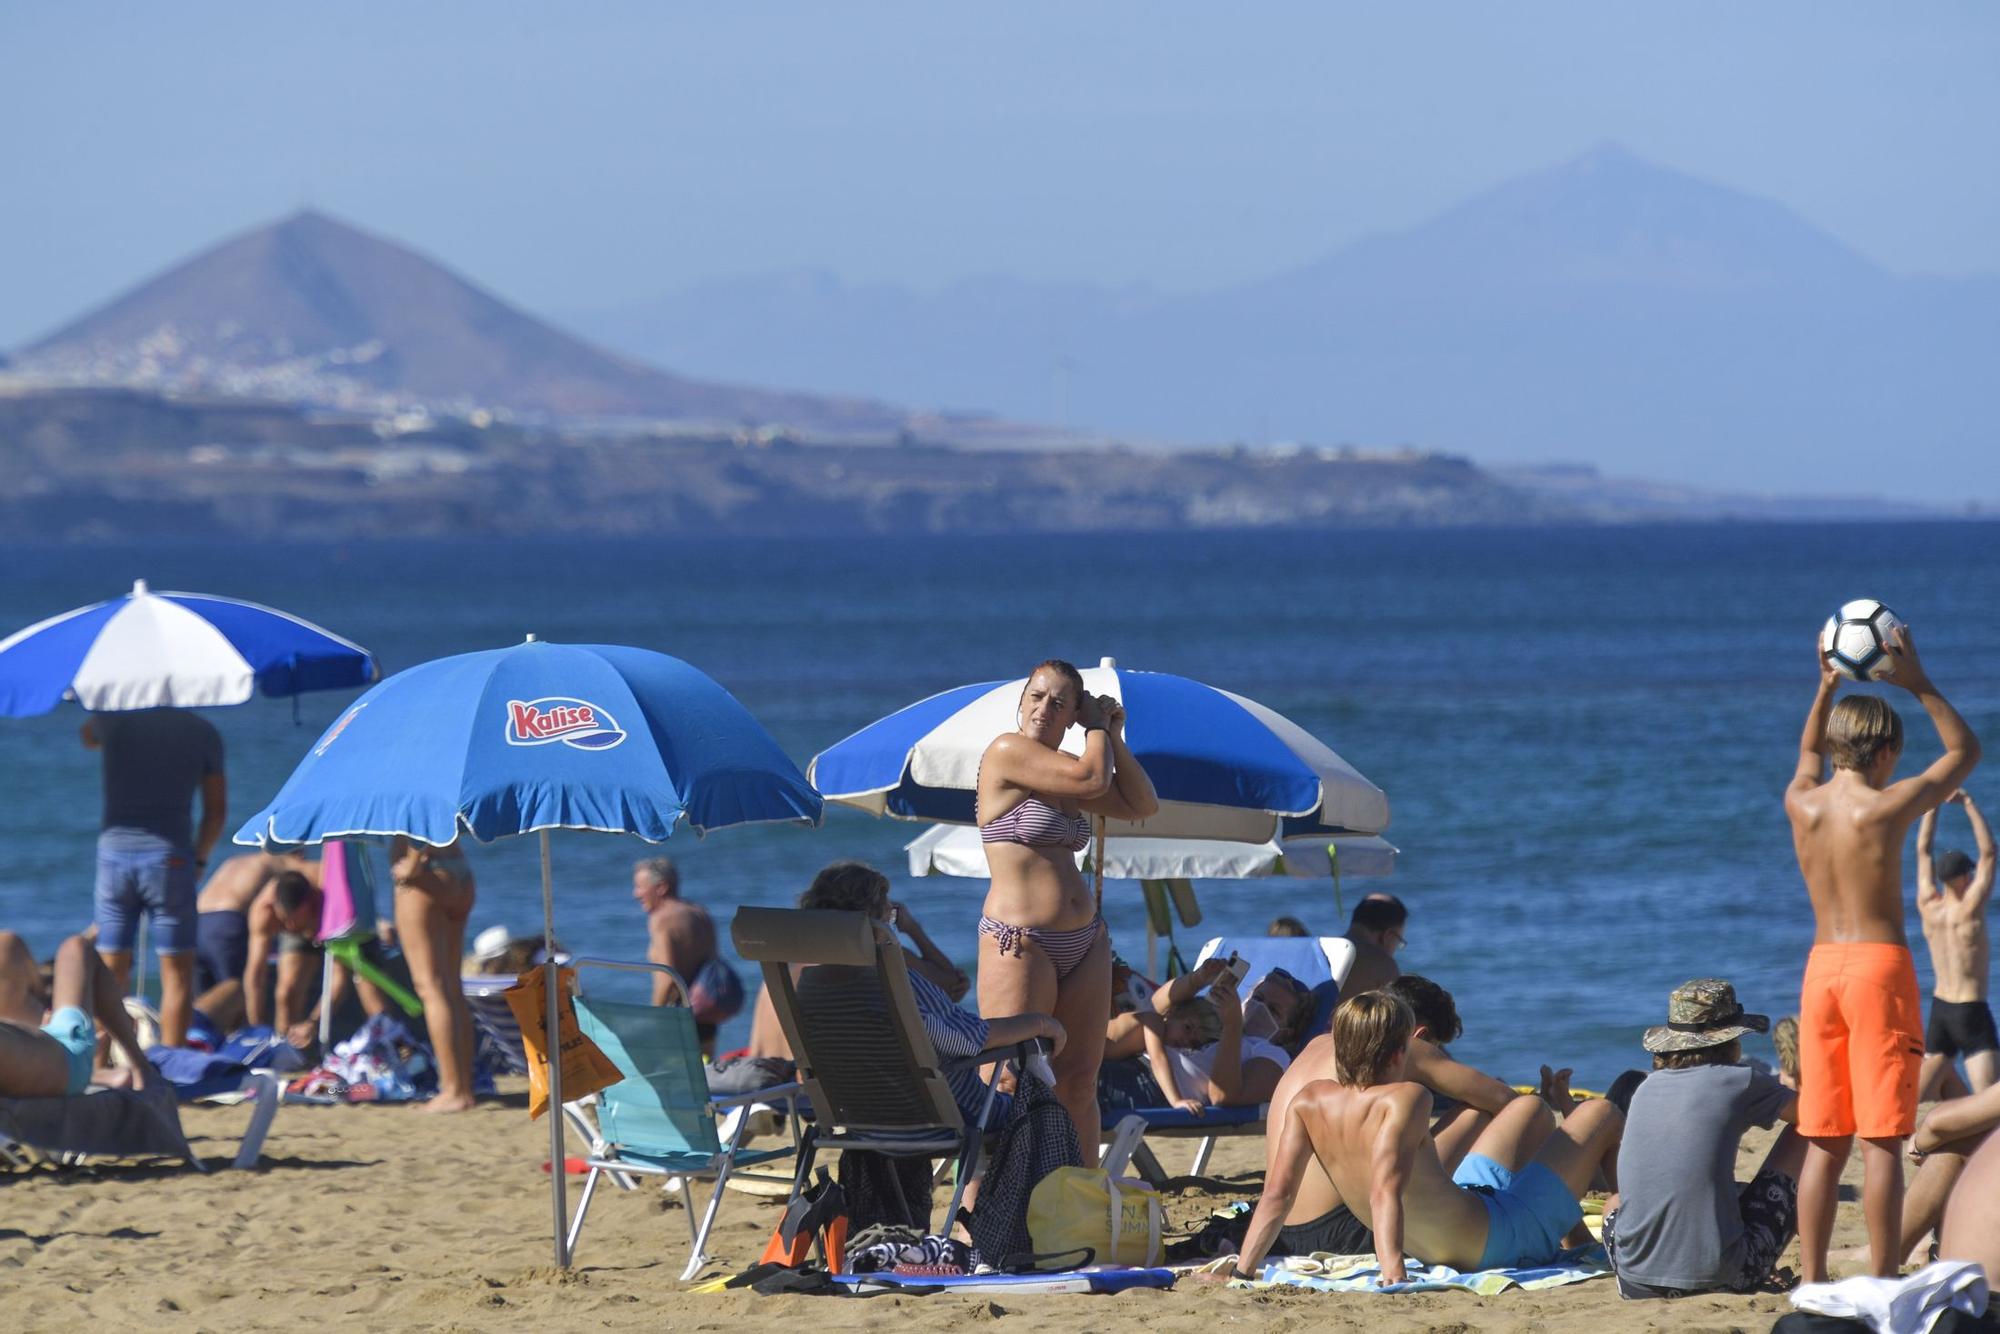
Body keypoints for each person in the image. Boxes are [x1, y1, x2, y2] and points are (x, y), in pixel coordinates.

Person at [1785, 626, 1980, 1283]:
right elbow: (1964, 750)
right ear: (1888, 750)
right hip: (1877, 969)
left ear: (1839, 744)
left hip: (1820, 972)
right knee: (1882, 1145)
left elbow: (1808, 751)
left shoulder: (1801, 804)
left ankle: (1813, 1283)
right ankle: (1880, 1277)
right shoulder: (1888, 807)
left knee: (1824, 1144)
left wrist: (1824, 686)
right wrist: (1917, 680)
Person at [1231, 991, 1622, 1283]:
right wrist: (1393, 1275)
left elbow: (1276, 1196)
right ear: (1400, 1053)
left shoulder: (1308, 1100)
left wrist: (1242, 1271)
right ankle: (1629, 1233)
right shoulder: (1407, 1098)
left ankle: (1573, 1235)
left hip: (1445, 1231)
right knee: (1601, 1113)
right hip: (1495, 1239)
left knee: (1530, 1109)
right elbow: (1385, 1191)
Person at [976, 659, 1158, 1161]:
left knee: (1078, 1081)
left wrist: (1113, 736)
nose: (1043, 708)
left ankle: (1075, 1203)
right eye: (1036, 696)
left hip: (1084, 942)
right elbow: (1092, 779)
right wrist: (1096, 730)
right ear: (1020, 703)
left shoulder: (1072, 778)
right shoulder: (1007, 752)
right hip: (1021, 940)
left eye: (1059, 703)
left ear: (1071, 716)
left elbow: (1143, 804)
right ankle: (978, 1211)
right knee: (1006, 1080)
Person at [1250, 973, 1536, 1259]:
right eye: (1437, 1047)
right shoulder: (1405, 1046)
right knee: (1477, 1111)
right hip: (1349, 1231)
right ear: (1420, 1036)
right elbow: (1506, 1101)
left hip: (1283, 1234)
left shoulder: (1318, 1044)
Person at [797, 862, 1064, 1126]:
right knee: (1046, 1112)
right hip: (938, 1114)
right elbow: (968, 1039)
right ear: (874, 921)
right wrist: (1041, 1023)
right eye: (887, 918)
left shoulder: (808, 987)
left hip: (857, 1117)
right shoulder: (894, 980)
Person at [1601, 979, 1804, 1299]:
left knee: (1613, 1204)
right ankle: (1814, 1261)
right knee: (1812, 1131)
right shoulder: (1741, 1080)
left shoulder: (1645, 1089)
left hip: (1635, 1282)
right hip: (1723, 1276)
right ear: (1732, 1040)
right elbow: (1814, 1115)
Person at [83, 706, 226, 1048]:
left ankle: (102, 1066)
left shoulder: (111, 721)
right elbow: (216, 811)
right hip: (170, 858)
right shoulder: (203, 732)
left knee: (110, 971)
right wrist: (201, 857)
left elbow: (87, 737)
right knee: (176, 975)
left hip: (113, 857)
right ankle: (170, 1068)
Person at [1100, 957, 1312, 1112]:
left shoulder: (1273, 1055)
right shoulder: (1212, 1018)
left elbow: (1223, 1097)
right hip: (1124, 1060)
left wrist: (1233, 1027)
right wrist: (1198, 979)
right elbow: (1155, 1006)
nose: (1259, 1008)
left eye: (1273, 1010)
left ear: (1286, 1034)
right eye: (1257, 998)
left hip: (1147, 1089)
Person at [0, 931, 153, 1096]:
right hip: (64, 1059)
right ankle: (141, 1069)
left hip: (33, 1049)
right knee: (76, 948)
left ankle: (102, 1072)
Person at [1916, 791, 1997, 1100]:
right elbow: (1989, 852)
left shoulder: (1927, 904)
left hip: (1940, 1010)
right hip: (1971, 1011)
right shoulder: (1969, 909)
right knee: (1990, 1102)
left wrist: (1932, 805)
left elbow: (1923, 850)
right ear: (1965, 876)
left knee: (1919, 1099)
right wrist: (1968, 803)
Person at [392, 837, 478, 1112]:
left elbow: (418, 821)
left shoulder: (399, 790)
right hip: (457, 869)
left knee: (430, 987)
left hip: (425, 877)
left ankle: (452, 1090)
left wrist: (414, 864)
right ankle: (463, 1086)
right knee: (451, 987)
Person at [634, 857, 743, 1054]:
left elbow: (667, 977)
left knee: (674, 1077)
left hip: (679, 1015)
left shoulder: (662, 920)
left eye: (640, 887)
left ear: (661, 887)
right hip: (706, 1013)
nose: (636, 894)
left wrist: (655, 1018)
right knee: (704, 1074)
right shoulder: (700, 913)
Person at [241, 870, 325, 1047]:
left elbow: (338, 979)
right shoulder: (264, 911)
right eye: (283, 920)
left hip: (327, 918)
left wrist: (314, 1021)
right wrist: (258, 1030)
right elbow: (255, 975)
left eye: (292, 920)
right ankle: (284, 1050)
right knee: (285, 994)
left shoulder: (326, 888)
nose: (288, 926)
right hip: (301, 925)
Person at [1342, 893, 1406, 999]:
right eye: (1398, 940)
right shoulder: (1382, 964)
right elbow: (1396, 1013)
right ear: (1388, 936)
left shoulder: (1320, 947)